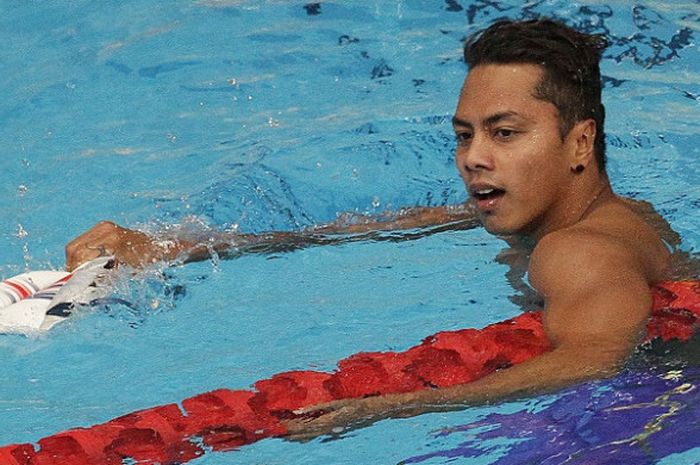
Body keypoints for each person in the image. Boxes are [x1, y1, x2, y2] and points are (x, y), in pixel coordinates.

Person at [65, 19, 675, 439]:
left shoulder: (577, 250)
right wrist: (171, 247)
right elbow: (381, 227)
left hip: (652, 407)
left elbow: (597, 357)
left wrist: (387, 406)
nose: (474, 158)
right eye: (464, 135)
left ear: (579, 141)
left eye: (505, 133)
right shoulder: (585, 215)